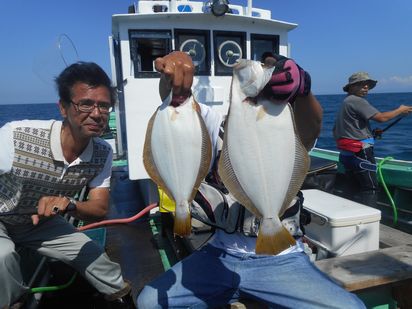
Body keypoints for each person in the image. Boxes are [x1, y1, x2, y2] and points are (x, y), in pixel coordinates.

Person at [137, 51, 366, 308]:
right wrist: (174, 76)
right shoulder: (217, 122)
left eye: (270, 66)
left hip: (282, 258)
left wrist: (304, 90)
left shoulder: (285, 118)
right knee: (149, 302)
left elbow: (312, 125)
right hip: (219, 255)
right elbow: (177, 111)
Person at [0, 62, 134, 308]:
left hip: (41, 224)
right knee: (2, 257)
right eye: (85, 104)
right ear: (63, 107)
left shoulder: (102, 153)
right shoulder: (15, 137)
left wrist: (70, 204)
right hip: (1, 218)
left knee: (97, 259)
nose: (96, 113)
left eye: (104, 106)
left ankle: (124, 300)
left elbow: (100, 209)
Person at [333, 72, 412, 206]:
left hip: (347, 154)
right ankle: (370, 225)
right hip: (361, 153)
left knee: (351, 186)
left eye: (367, 85)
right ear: (351, 87)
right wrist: (400, 110)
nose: (366, 87)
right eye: (361, 84)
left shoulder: (346, 101)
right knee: (370, 188)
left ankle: (344, 213)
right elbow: (382, 118)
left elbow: (344, 128)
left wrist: (369, 132)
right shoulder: (356, 100)